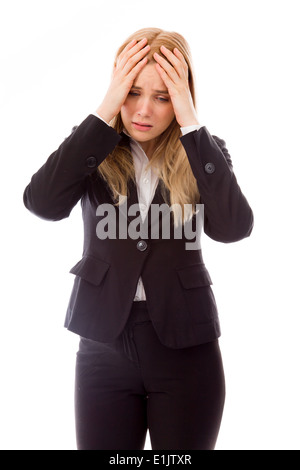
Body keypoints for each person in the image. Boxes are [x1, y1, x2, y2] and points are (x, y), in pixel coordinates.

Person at [23, 27, 254, 450]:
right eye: (132, 91)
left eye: (163, 97)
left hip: (187, 345)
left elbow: (234, 228)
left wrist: (191, 124)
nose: (143, 110)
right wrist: (105, 109)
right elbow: (42, 203)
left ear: (181, 98)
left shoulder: (204, 152)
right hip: (103, 344)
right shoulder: (92, 146)